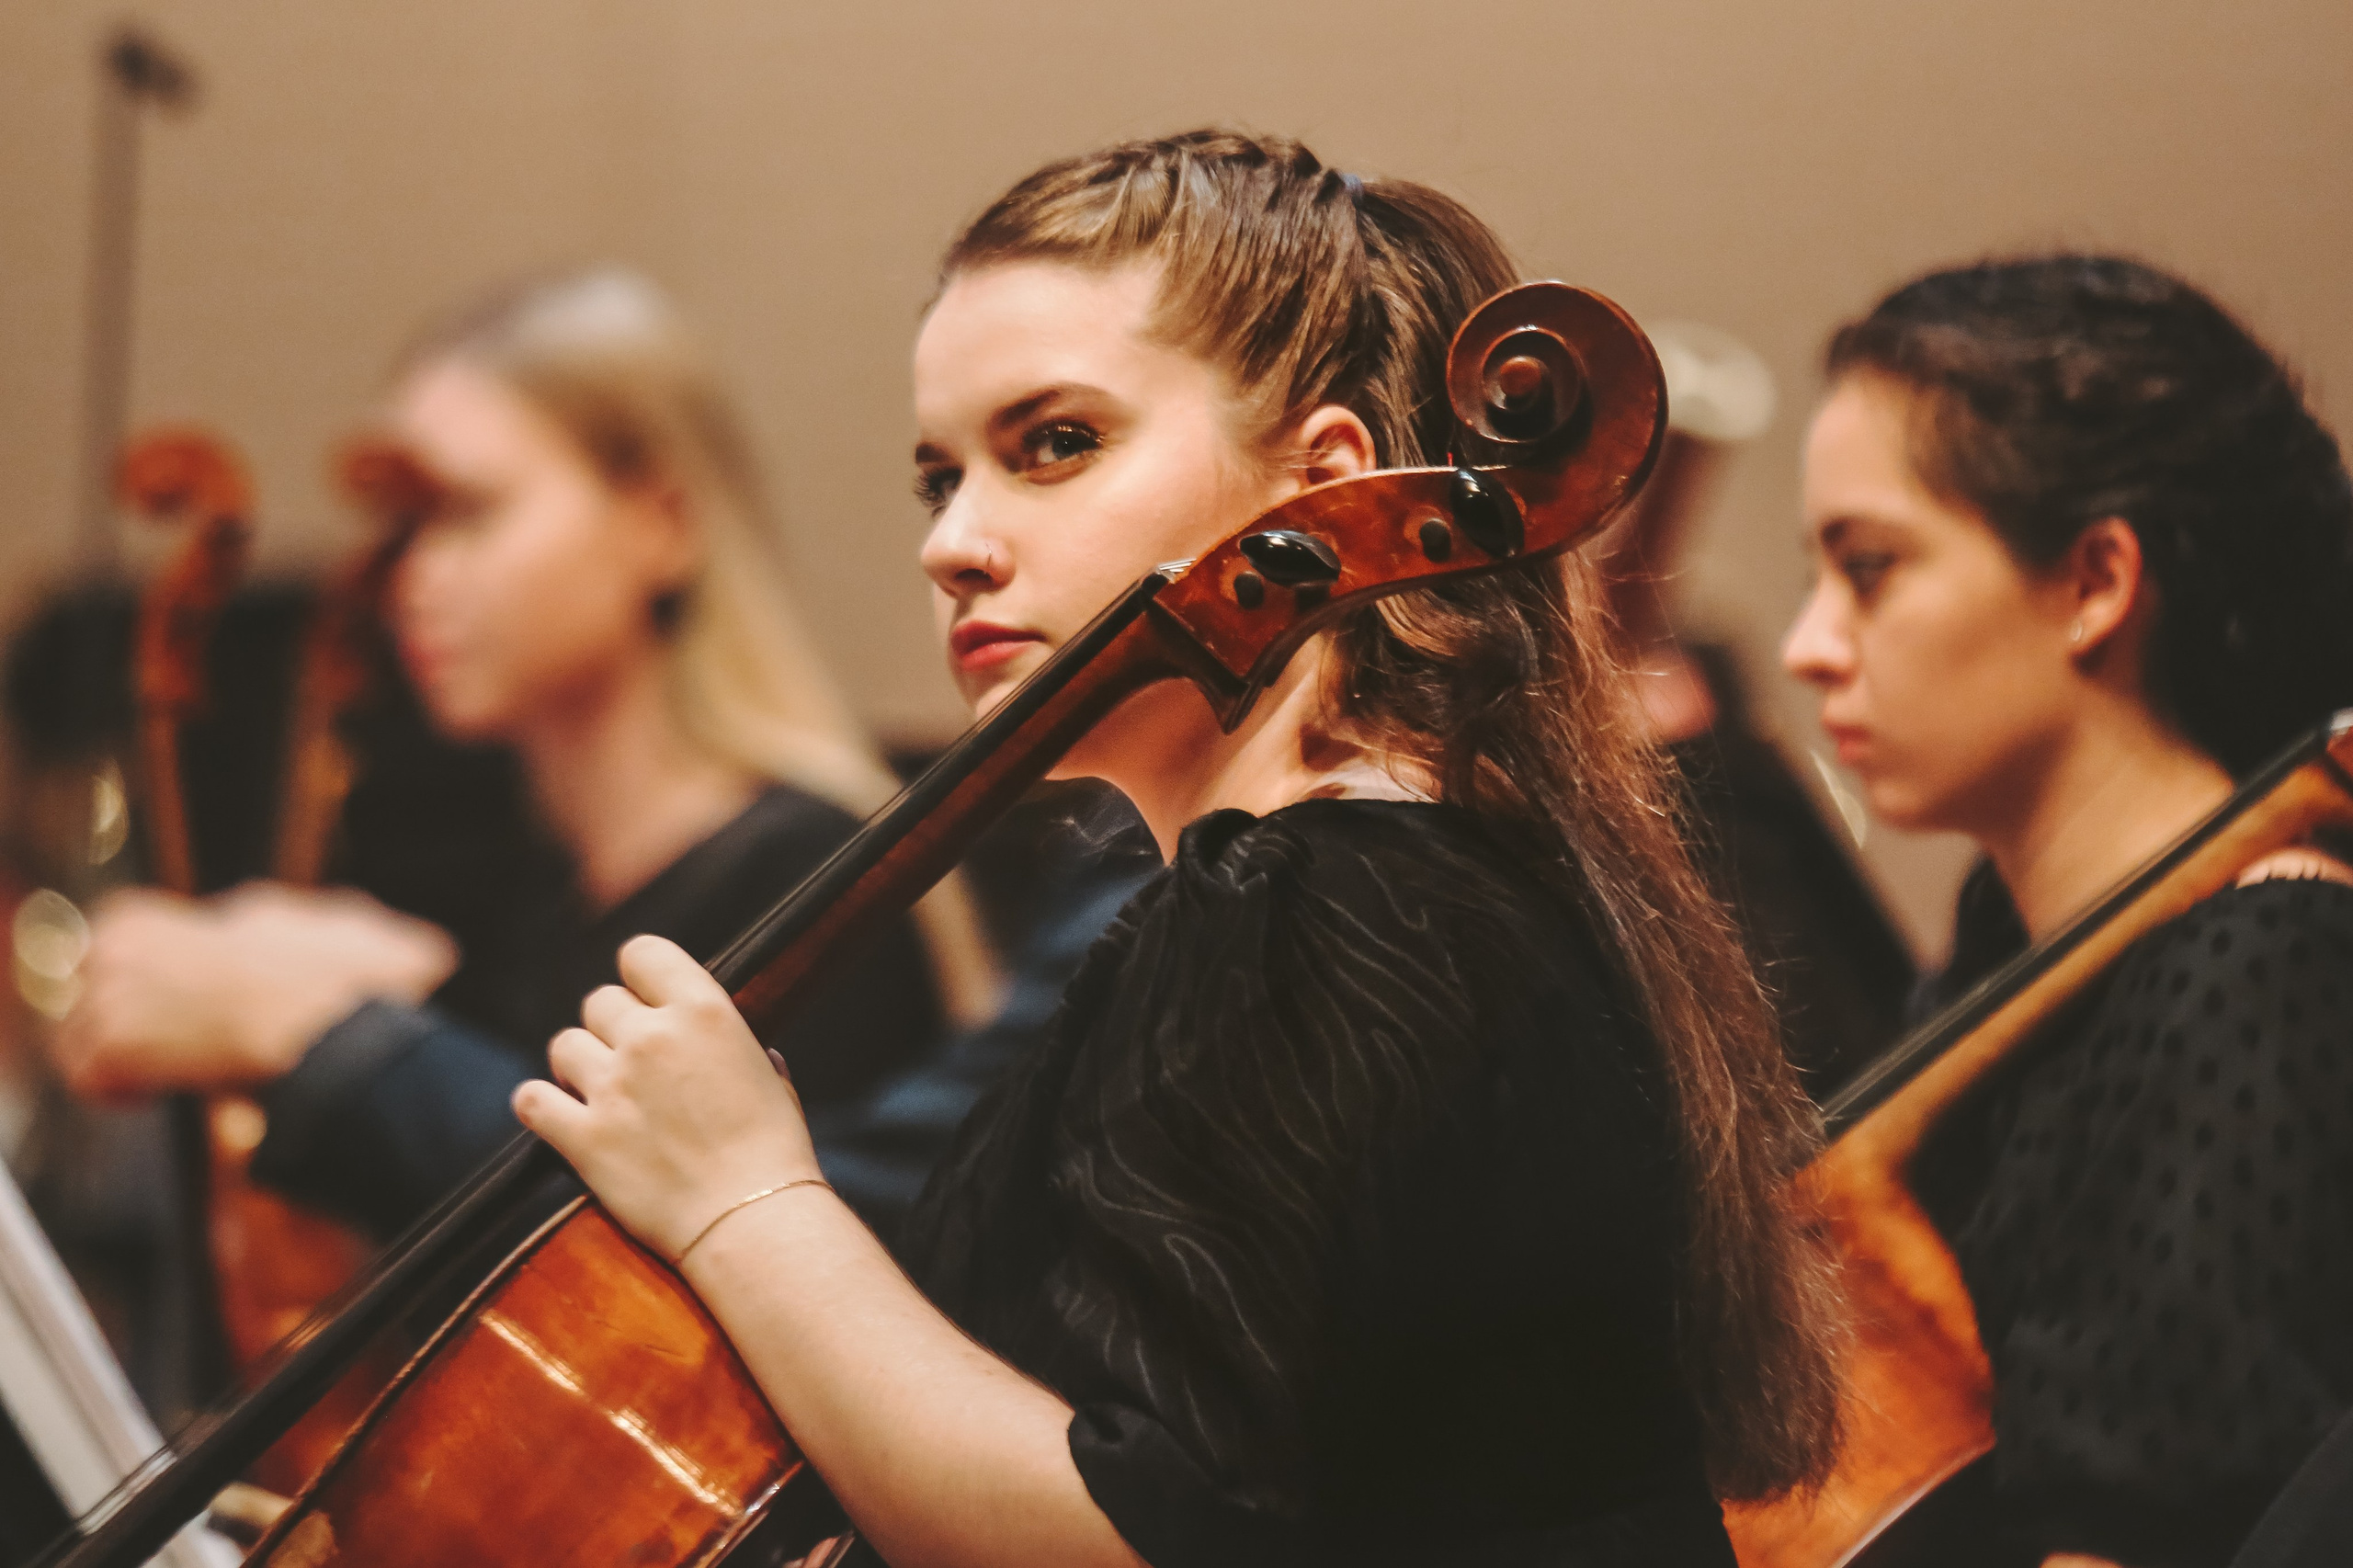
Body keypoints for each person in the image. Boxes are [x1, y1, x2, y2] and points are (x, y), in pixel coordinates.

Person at [519, 130, 1841, 1567]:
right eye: (938, 477)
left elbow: (1144, 1539)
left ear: (1317, 480)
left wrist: (745, 1204)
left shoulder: (1337, 903)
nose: (954, 540)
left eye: (1056, 444)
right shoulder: (1373, 884)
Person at [50, 267, 990, 1239]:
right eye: (404, 526)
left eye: (467, 512)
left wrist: (329, 1019)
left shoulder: (808, 877)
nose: (412, 575)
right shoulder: (532, 890)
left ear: (659, 522)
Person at [1782, 254, 2353, 1567]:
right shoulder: (2010, 935)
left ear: (2096, 580)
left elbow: (2142, 1536)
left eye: (1869, 569)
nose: (1810, 641)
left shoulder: (2253, 970)